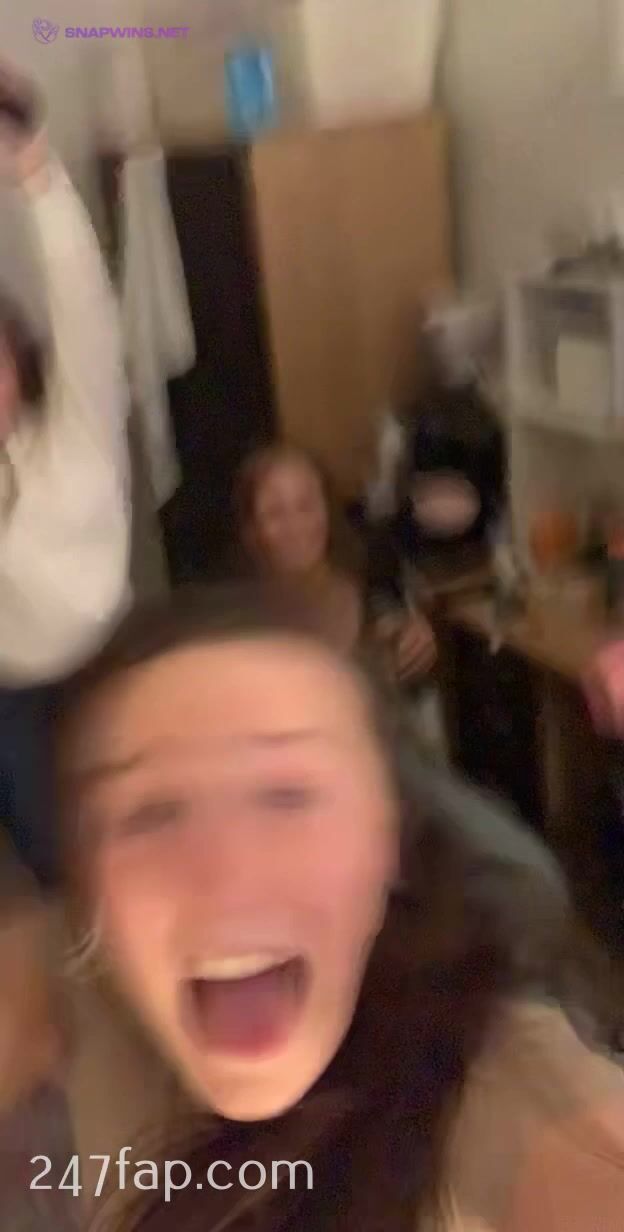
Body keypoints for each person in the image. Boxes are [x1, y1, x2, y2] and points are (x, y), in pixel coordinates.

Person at [43, 579, 624, 1231]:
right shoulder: (84, 996)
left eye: (287, 795)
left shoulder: (501, 1083)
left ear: (390, 842)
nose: (228, 876)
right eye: (151, 813)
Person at [0, 62, 131, 885]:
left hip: (111, 664)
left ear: (19, 366)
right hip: (11, 701)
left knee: (136, 840)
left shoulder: (78, 428)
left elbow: (83, 302)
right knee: (56, 864)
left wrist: (33, 168)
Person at [235, 443, 436, 683]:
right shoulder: (243, 635)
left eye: (306, 505)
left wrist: (418, 640)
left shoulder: (372, 583)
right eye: (274, 512)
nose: (295, 525)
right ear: (251, 531)